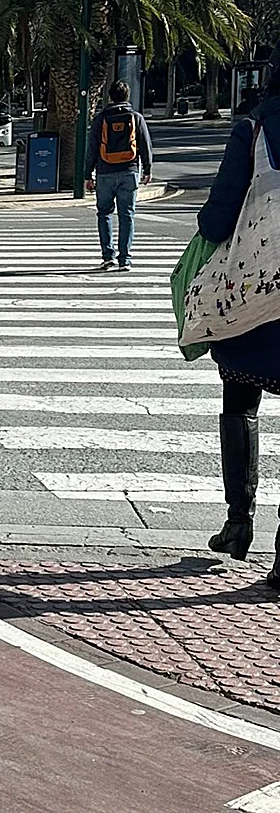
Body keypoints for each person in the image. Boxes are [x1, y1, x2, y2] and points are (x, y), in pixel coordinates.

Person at [198, 41, 280, 590]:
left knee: (241, 399)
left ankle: (238, 522)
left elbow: (216, 219)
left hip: (257, 297)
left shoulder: (253, 128)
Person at [84, 80, 153, 272]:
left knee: (104, 213)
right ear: (127, 96)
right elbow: (145, 145)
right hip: (129, 171)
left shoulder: (100, 119)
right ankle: (125, 259)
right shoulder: (136, 118)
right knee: (127, 214)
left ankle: (108, 257)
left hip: (105, 172)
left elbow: (92, 149)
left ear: (110, 97)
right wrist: (147, 169)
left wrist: (88, 174)